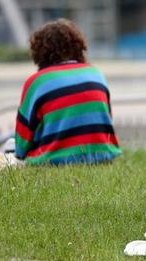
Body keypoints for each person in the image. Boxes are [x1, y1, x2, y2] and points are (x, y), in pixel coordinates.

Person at [14, 19, 121, 165]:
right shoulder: (96, 74)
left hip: (54, 161)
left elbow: (21, 146)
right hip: (102, 158)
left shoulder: (37, 82)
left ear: (39, 52)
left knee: (6, 150)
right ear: (78, 46)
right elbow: (105, 121)